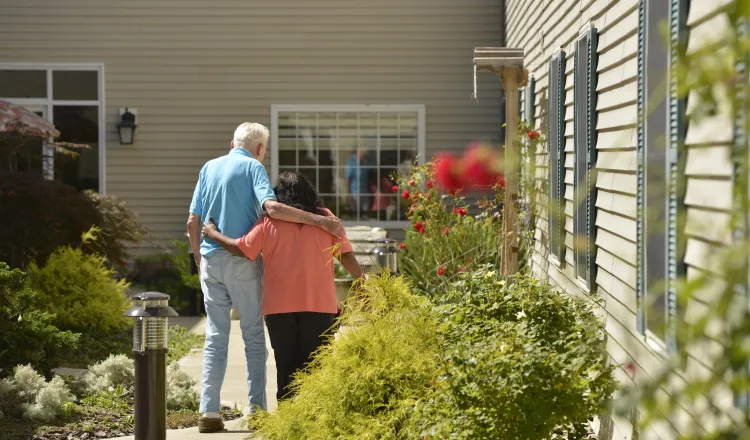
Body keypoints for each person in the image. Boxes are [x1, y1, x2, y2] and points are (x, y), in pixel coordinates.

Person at [186, 123, 345, 433]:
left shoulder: (209, 167)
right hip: (241, 260)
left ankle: (209, 411)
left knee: (215, 337)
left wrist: (199, 259)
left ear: (232, 142)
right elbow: (272, 208)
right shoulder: (254, 168)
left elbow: (193, 220)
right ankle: (256, 410)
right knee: (253, 336)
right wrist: (319, 220)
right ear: (259, 149)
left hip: (210, 262)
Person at [201, 171, 363, 402]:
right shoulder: (326, 219)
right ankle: (318, 420)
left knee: (286, 366)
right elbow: (345, 256)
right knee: (319, 366)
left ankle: (287, 421)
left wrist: (214, 234)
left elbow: (241, 248)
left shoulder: (268, 222)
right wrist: (363, 280)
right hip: (319, 304)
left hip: (279, 308)